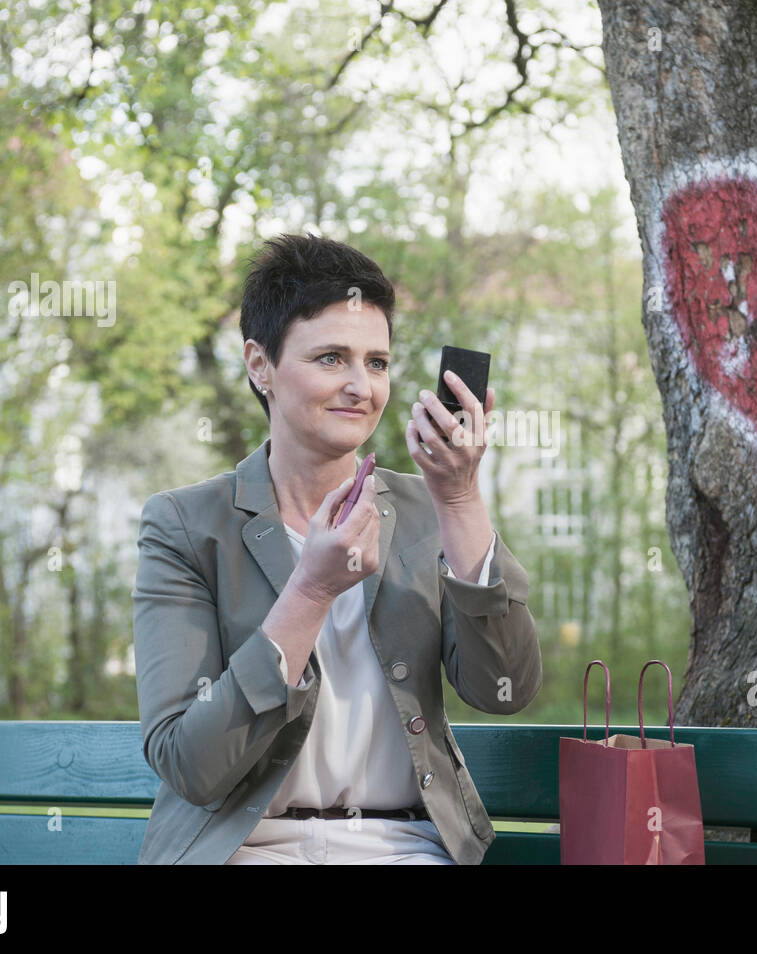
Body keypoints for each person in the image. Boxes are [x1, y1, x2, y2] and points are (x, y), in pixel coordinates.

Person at [131, 232, 542, 864]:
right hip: (247, 850)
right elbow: (191, 765)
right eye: (330, 358)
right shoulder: (186, 526)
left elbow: (505, 690)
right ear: (259, 365)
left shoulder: (429, 509)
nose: (360, 386)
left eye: (376, 363)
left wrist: (460, 501)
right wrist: (311, 590)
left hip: (404, 849)